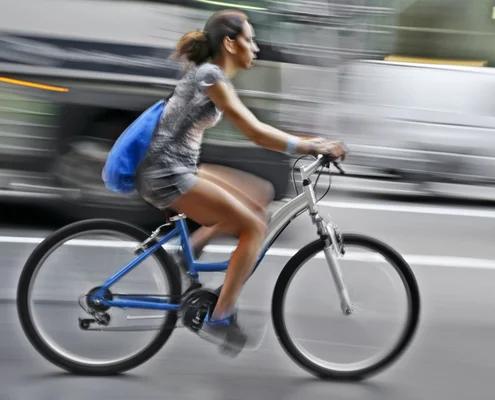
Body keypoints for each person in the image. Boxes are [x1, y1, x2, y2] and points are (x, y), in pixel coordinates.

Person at [134, 9, 346, 351]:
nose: (256, 47)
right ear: (231, 43)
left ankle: (187, 252)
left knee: (260, 194)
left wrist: (307, 143)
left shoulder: (212, 76)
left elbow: (253, 130)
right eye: (250, 39)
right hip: (167, 175)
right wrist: (309, 145)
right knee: (254, 228)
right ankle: (219, 319)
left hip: (178, 167)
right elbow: (254, 131)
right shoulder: (210, 78)